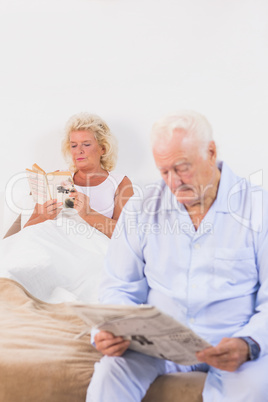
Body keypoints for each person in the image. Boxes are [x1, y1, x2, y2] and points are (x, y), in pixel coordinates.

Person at [86, 110, 268, 401]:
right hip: (158, 345)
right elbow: (119, 286)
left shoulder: (259, 207)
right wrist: (111, 330)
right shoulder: (140, 208)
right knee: (110, 376)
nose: (173, 181)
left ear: (210, 152)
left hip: (235, 344)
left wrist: (249, 343)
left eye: (182, 168)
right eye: (164, 171)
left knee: (255, 391)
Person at [24, 112, 134, 238]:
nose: (78, 151)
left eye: (86, 144)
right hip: (55, 244)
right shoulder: (56, 178)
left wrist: (88, 214)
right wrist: (44, 216)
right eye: (73, 145)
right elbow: (26, 231)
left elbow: (125, 234)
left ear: (103, 148)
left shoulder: (120, 183)